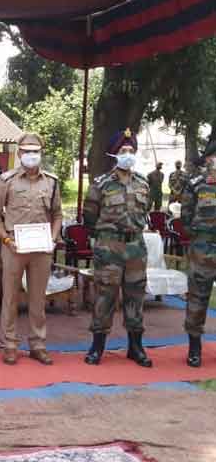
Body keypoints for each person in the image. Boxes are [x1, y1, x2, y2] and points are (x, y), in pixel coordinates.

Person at [0, 133, 62, 366]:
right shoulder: (6, 180)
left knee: (38, 298)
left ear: (41, 153)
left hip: (42, 247)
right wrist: (5, 240)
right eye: (27, 151)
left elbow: (57, 214)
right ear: (19, 153)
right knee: (10, 297)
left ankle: (37, 344)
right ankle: (10, 344)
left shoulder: (51, 182)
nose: (31, 155)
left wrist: (53, 239)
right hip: (14, 245)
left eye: (35, 151)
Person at [83, 128, 152, 368]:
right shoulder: (101, 184)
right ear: (114, 154)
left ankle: (136, 347)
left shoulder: (143, 183)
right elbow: (89, 218)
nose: (128, 154)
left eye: (131, 150)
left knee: (136, 296)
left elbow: (145, 212)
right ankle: (97, 347)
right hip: (109, 247)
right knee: (105, 295)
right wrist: (105, 237)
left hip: (135, 248)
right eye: (123, 150)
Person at [181, 140, 216, 367]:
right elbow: (185, 217)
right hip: (202, 249)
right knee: (197, 297)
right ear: (208, 158)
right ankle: (194, 347)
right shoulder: (196, 184)